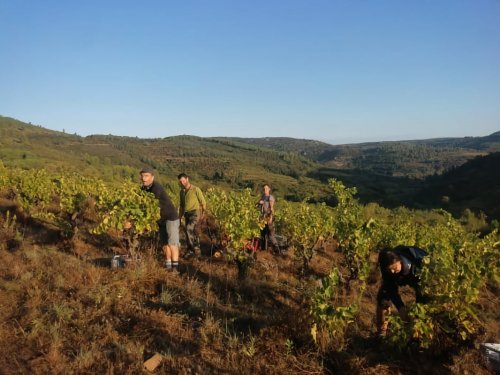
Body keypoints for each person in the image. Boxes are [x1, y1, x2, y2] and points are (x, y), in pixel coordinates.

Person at [376, 245, 428, 337]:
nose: (392, 271)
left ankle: (419, 333)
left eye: (394, 268)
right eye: (389, 270)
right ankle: (382, 332)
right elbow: (390, 288)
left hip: (420, 277)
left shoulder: (420, 262)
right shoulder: (387, 268)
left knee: (423, 303)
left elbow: (423, 290)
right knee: (383, 298)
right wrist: (400, 307)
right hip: (402, 276)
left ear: (399, 260)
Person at [140, 167, 180, 272]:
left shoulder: (156, 187)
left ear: (152, 177)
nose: (144, 178)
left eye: (146, 176)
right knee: (164, 243)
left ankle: (175, 269)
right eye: (142, 176)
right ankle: (168, 266)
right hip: (160, 219)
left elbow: (150, 203)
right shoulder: (144, 188)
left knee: (172, 243)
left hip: (170, 217)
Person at [178, 173, 206, 258]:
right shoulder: (181, 192)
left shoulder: (195, 189)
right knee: (191, 233)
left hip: (195, 213)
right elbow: (182, 206)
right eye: (180, 181)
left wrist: (203, 214)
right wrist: (180, 217)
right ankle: (194, 251)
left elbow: (203, 202)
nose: (182, 183)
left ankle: (194, 250)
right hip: (187, 214)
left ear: (187, 179)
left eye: (183, 180)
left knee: (188, 229)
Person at [257, 184, 282, 254]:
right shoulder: (263, 197)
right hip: (263, 218)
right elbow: (258, 204)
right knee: (263, 233)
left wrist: (270, 217)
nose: (265, 190)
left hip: (268, 217)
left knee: (271, 235)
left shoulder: (270, 197)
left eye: (266, 189)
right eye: (264, 189)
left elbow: (271, 208)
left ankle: (277, 250)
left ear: (269, 189)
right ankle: (263, 250)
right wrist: (259, 203)